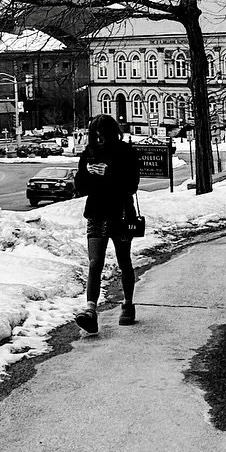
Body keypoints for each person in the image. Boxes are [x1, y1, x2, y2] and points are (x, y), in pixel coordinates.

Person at [72, 114, 140, 335]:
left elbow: (131, 185)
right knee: (95, 262)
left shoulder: (126, 153)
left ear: (112, 134)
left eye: (103, 136)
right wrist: (87, 173)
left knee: (123, 261)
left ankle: (128, 304)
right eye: (95, 135)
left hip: (120, 214)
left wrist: (109, 173)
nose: (99, 140)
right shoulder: (88, 154)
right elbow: (80, 188)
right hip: (97, 213)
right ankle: (91, 311)